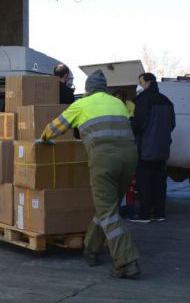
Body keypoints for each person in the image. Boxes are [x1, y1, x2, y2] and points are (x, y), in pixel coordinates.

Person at [40, 70, 140, 278]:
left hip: (105, 160)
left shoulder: (81, 105)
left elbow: (54, 128)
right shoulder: (118, 103)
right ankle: (91, 248)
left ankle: (127, 261)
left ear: (87, 90)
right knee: (107, 206)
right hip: (130, 158)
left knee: (108, 212)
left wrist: (43, 138)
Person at [129, 72, 175, 223]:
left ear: (148, 82)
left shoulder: (143, 100)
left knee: (145, 183)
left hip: (146, 148)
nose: (139, 85)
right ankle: (159, 213)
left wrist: (130, 124)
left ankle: (144, 215)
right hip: (163, 149)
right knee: (159, 182)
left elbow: (139, 124)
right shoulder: (166, 100)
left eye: (141, 82)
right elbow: (172, 124)